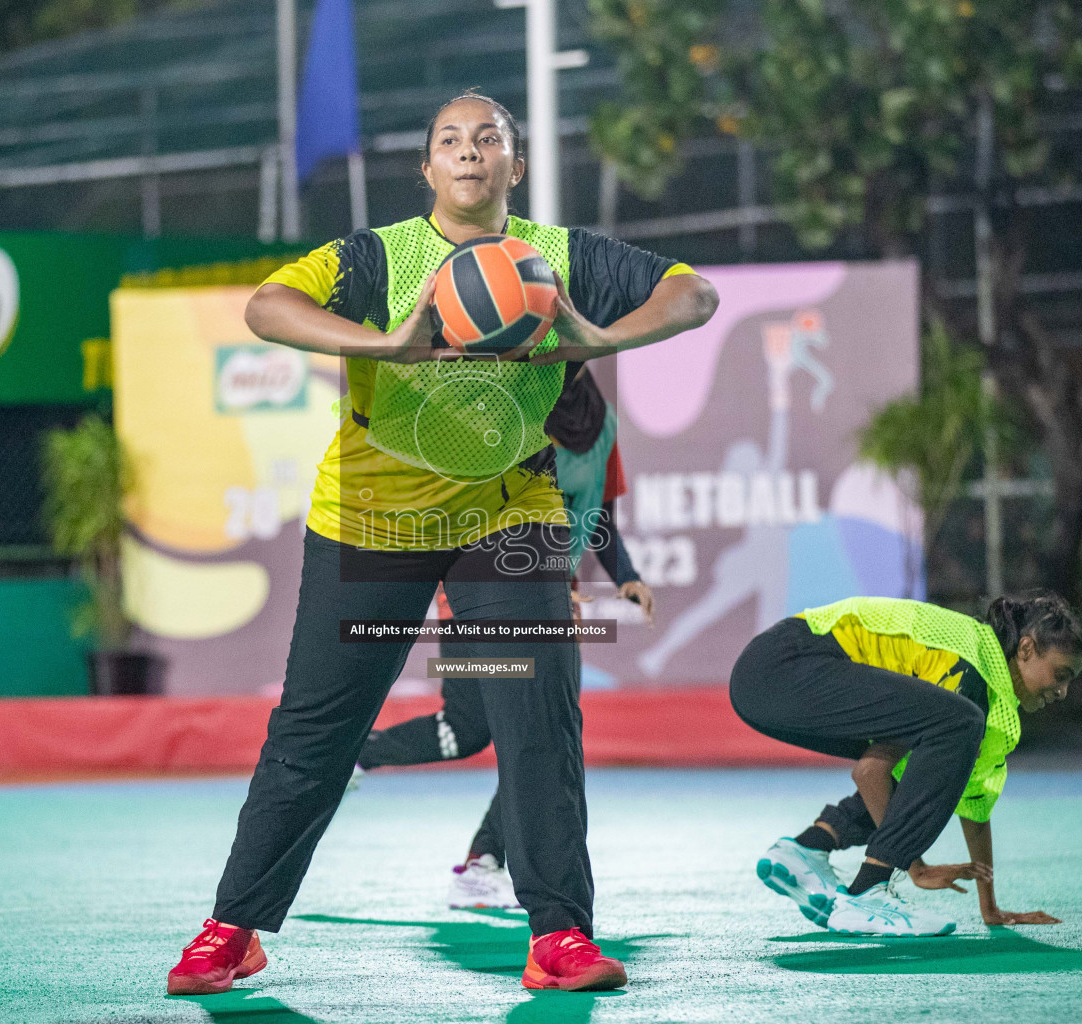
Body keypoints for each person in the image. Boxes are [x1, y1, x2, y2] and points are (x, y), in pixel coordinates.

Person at [165, 90, 718, 995]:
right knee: (314, 729)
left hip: (509, 514)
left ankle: (559, 936)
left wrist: (593, 335)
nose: (470, 152)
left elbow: (695, 293)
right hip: (371, 518)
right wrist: (385, 345)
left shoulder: (562, 258)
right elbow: (266, 308)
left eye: (489, 138)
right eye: (450, 141)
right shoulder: (377, 258)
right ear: (427, 169)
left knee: (539, 714)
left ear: (516, 165)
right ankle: (232, 930)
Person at [353, 368, 654, 911]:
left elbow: (600, 512)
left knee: (542, 734)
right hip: (487, 591)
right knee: (470, 730)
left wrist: (626, 575)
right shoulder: (512, 413)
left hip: (555, 597)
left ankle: (480, 864)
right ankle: (356, 757)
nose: (573, 353)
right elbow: (482, 509)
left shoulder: (602, 424)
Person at [730, 593, 1082, 936]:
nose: (1063, 692)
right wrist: (913, 866)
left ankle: (809, 848)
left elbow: (973, 802)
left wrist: (991, 909)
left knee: (928, 760)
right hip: (784, 664)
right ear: (1026, 648)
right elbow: (871, 772)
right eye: (1061, 675)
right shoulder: (967, 666)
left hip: (769, 675)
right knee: (957, 725)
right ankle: (868, 892)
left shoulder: (984, 685)